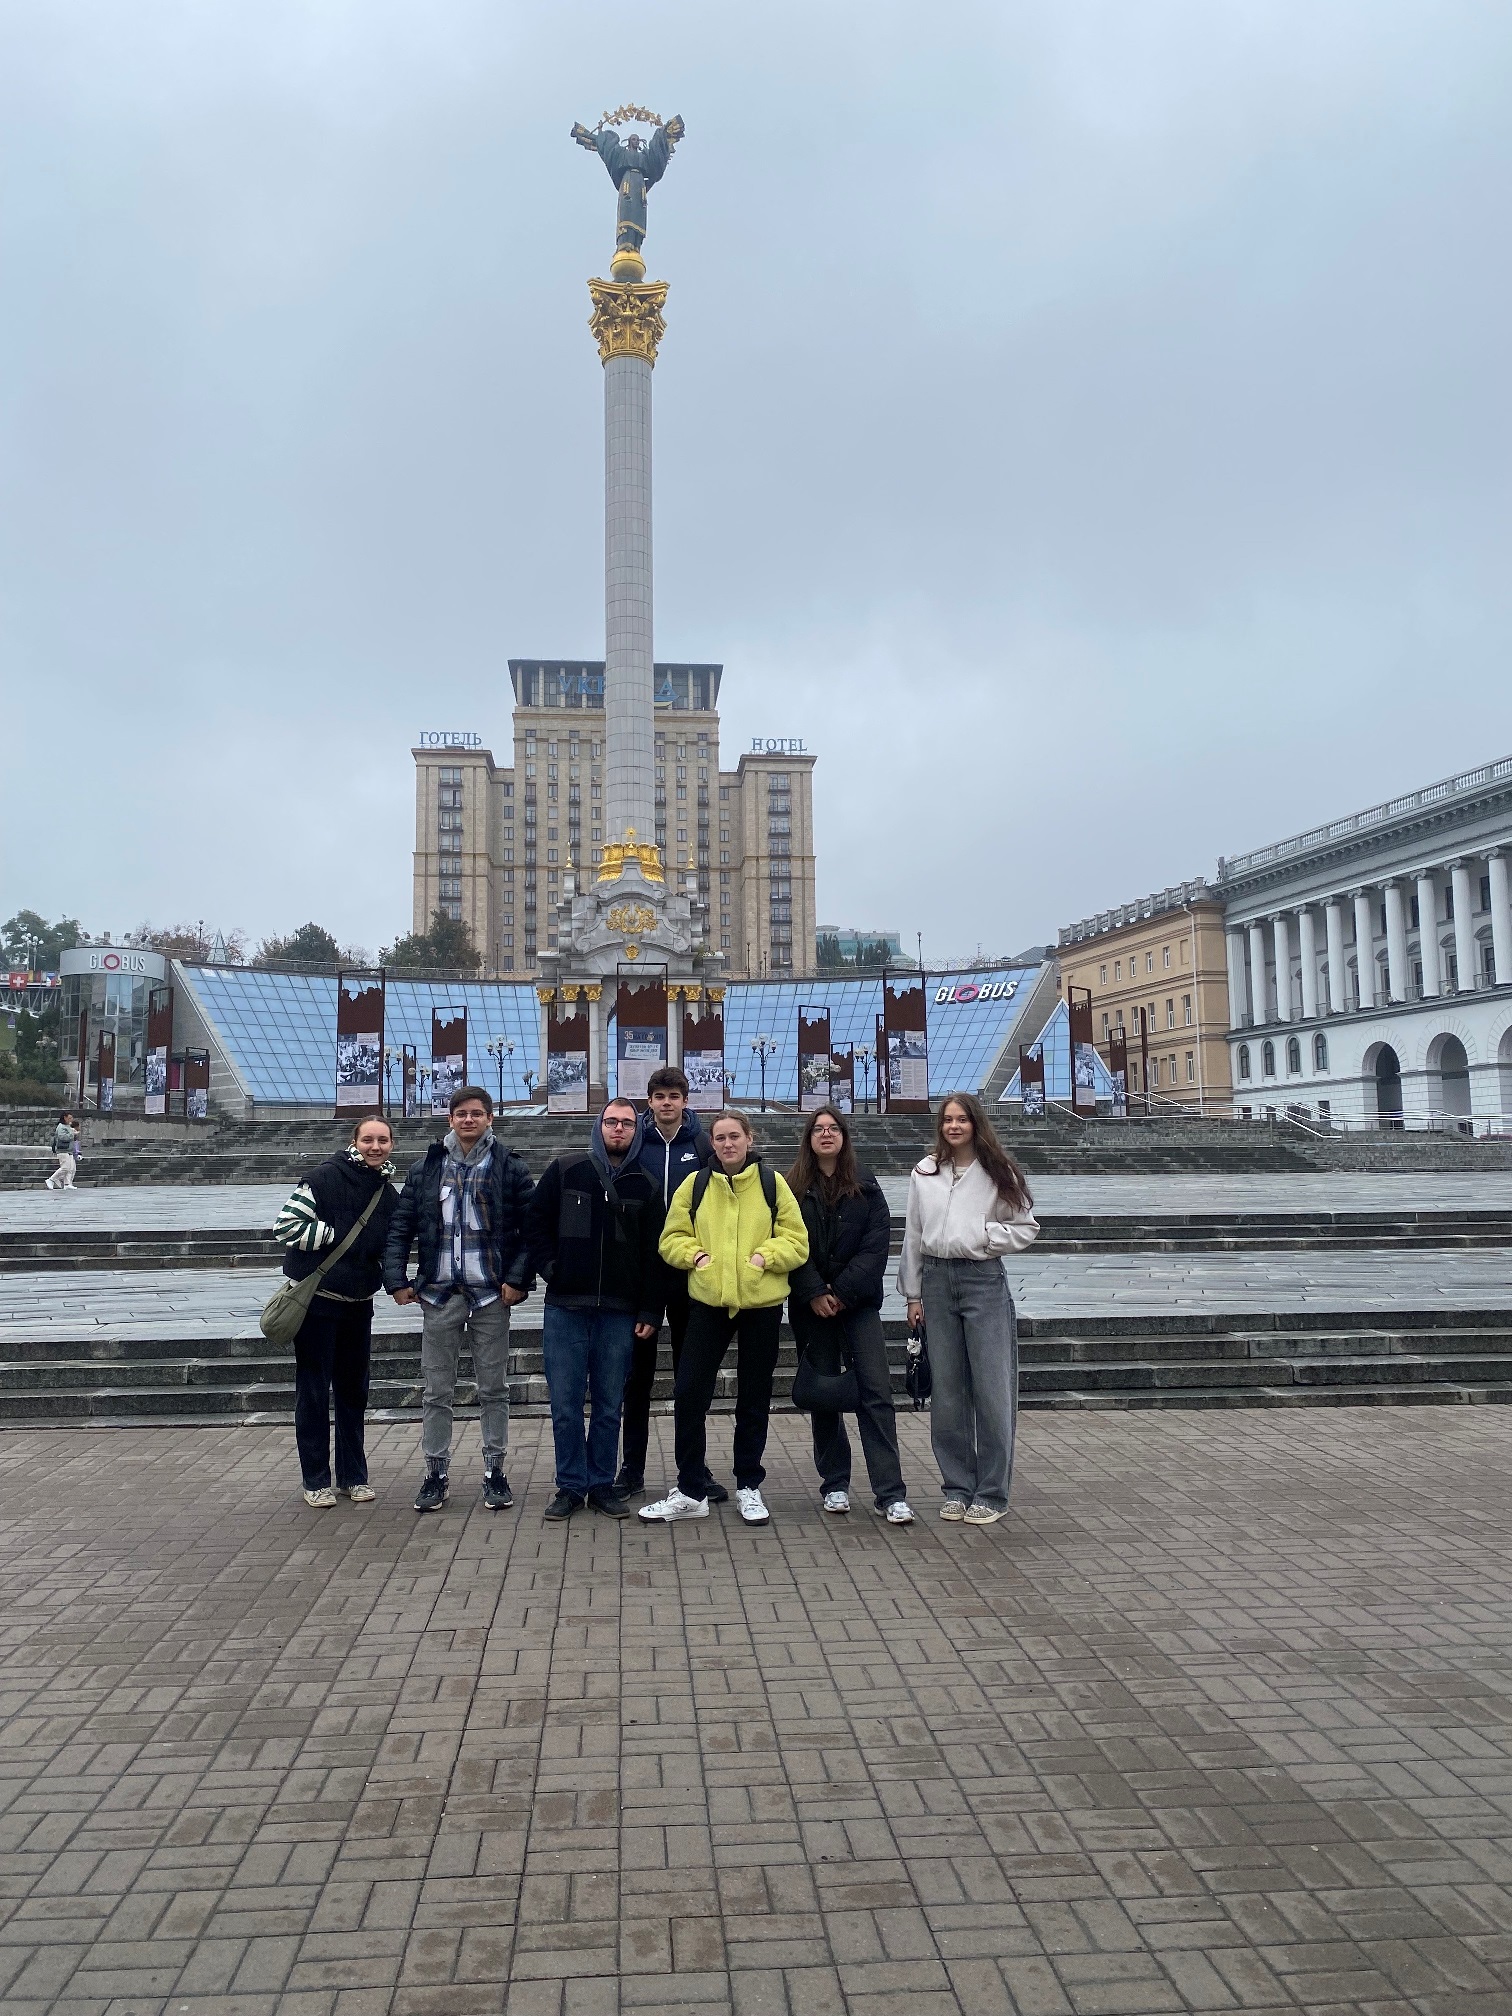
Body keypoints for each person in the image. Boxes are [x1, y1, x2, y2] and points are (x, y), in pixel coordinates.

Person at [641, 1109, 808, 1528]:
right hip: (709, 1304)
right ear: (711, 1143)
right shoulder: (695, 1184)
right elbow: (671, 1237)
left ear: (750, 1138)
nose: (728, 1144)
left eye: (735, 1136)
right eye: (720, 1138)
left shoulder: (772, 1184)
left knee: (754, 1397)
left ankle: (749, 1485)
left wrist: (763, 1258)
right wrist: (697, 1257)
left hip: (760, 1305)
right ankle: (691, 1489)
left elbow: (796, 1240)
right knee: (689, 1393)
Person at [383, 1085, 534, 1514]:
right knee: (437, 1391)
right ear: (450, 1119)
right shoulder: (427, 1168)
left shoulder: (509, 1167)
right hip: (439, 1294)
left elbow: (530, 1230)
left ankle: (494, 1472)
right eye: (461, 1114)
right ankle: (435, 1474)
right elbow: (401, 1227)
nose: (469, 1120)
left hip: (490, 1295)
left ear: (489, 1119)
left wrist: (517, 1279)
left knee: (494, 1389)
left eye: (476, 1114)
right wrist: (396, 1280)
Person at [898, 1091, 1038, 1526]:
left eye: (961, 1119)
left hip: (982, 1281)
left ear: (976, 1124)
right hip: (937, 1282)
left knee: (993, 1389)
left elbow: (1025, 1227)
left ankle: (992, 1492)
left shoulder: (997, 1171)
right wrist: (912, 1294)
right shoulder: (925, 1172)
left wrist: (982, 1236)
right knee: (948, 1393)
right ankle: (958, 1487)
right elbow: (913, 1233)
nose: (954, 1126)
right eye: (947, 1120)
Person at [526, 1099, 664, 1521]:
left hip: (619, 1312)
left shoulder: (646, 1183)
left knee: (608, 1405)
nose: (618, 1129)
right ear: (599, 1127)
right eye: (611, 1122)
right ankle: (570, 1486)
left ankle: (602, 1484)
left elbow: (655, 1253)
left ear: (636, 1131)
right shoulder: (566, 1170)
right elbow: (535, 1224)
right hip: (566, 1307)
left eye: (626, 1123)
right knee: (565, 1405)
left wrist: (649, 1310)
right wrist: (552, 1269)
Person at [787, 1105, 913, 1525]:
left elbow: (876, 1246)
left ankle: (890, 1492)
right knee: (824, 1393)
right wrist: (813, 1291)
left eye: (833, 1128)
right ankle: (834, 1483)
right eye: (818, 1129)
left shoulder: (866, 1186)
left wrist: (840, 1292)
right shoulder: (791, 1187)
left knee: (876, 1392)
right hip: (811, 1307)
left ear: (843, 1136)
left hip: (857, 1305)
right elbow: (786, 1242)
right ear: (809, 1139)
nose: (826, 1134)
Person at [274, 1116, 400, 1508]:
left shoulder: (387, 1192)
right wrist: (333, 1234)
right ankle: (315, 1480)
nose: (375, 1147)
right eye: (368, 1140)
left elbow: (390, 1244)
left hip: (359, 1306)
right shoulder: (323, 1177)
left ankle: (353, 1477)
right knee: (313, 1392)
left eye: (383, 1140)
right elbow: (286, 1227)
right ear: (354, 1141)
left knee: (353, 1393)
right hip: (318, 1304)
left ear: (392, 1145)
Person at [614, 1065, 721, 1500]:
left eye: (674, 1096)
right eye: (659, 1096)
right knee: (636, 1380)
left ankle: (695, 1469)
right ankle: (631, 1469)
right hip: (641, 1275)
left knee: (689, 1379)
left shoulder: (702, 1144)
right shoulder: (635, 1141)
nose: (666, 1103)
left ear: (685, 1101)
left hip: (688, 1272)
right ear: (650, 1102)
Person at [44, 1111, 78, 1189]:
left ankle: (67, 1184)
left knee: (71, 1168)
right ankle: (51, 1179)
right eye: (69, 1118)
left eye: (71, 1118)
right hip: (62, 1150)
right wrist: (72, 1134)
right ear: (65, 1118)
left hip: (69, 1150)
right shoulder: (61, 1127)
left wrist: (73, 1133)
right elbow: (62, 1137)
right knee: (65, 1167)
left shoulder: (68, 1126)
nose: (71, 1120)